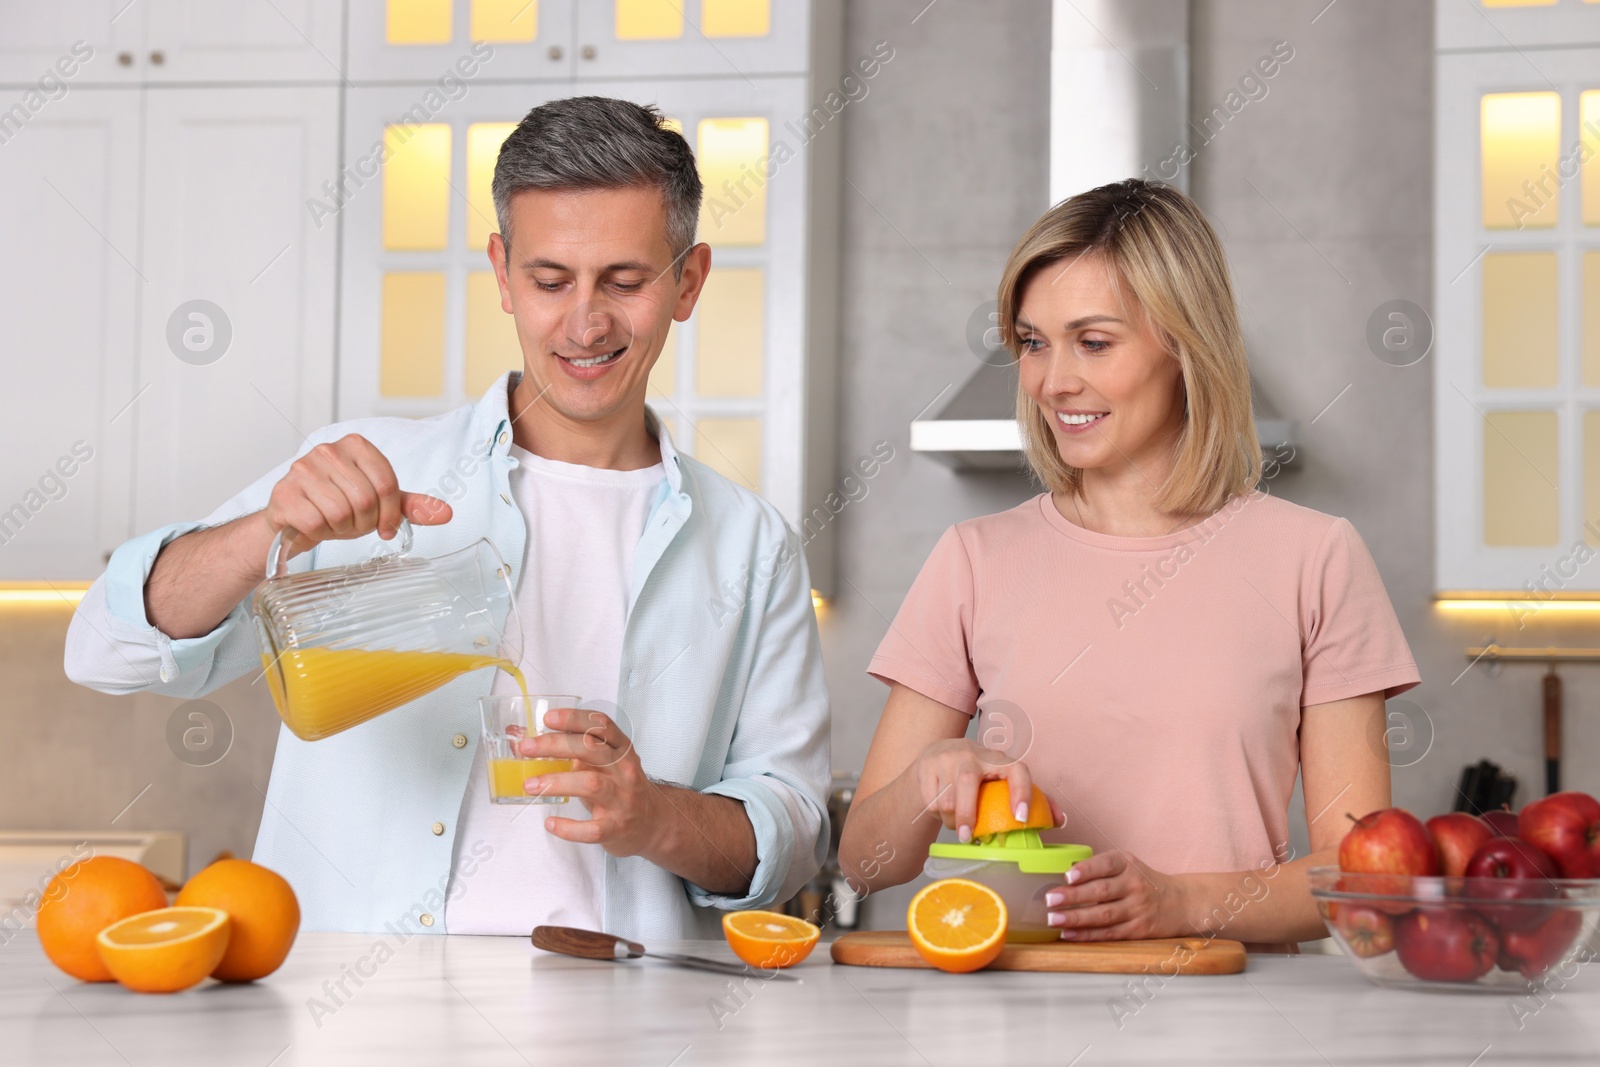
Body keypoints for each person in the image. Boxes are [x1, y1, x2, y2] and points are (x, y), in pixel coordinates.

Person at [65, 96, 830, 940]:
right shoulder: (362, 475)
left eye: (624, 280)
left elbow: (791, 829)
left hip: (619, 1017)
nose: (585, 322)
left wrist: (656, 817)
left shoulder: (752, 546)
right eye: (550, 280)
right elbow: (105, 648)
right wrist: (262, 537)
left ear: (687, 281)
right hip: (352, 1020)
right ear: (502, 274)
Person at [837, 179, 1418, 950]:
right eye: (1034, 342)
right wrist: (926, 779)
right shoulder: (973, 561)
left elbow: (1363, 878)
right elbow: (866, 863)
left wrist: (1180, 902)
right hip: (1020, 1018)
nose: (1053, 381)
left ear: (1184, 344)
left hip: (1232, 1022)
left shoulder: (1315, 558)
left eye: (1095, 341)